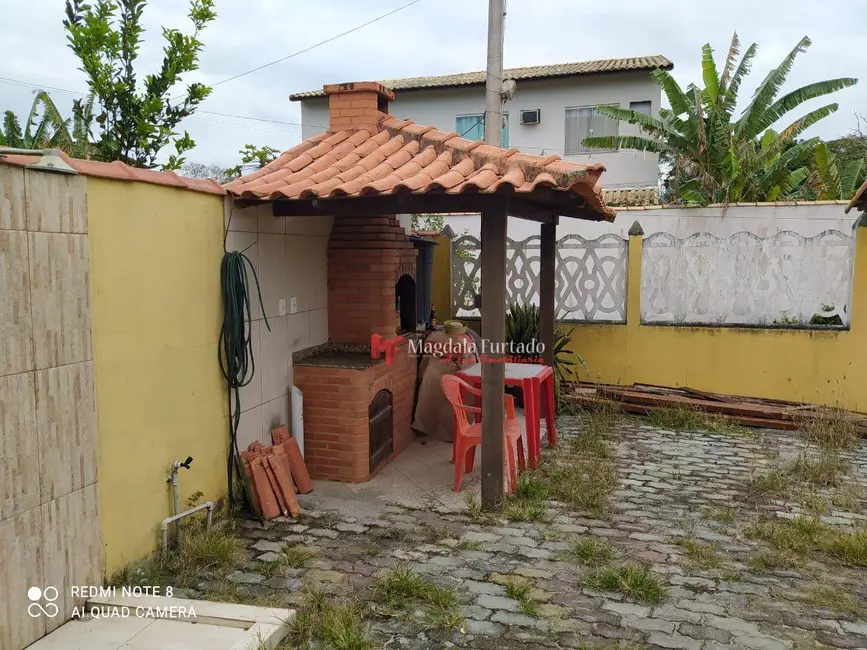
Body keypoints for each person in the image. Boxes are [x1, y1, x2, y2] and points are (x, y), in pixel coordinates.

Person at [412, 321, 479, 441]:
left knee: (432, 399)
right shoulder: (468, 339)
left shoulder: (434, 337)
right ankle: (461, 429)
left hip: (435, 370)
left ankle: (433, 427)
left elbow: (426, 357)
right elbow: (471, 356)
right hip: (459, 371)